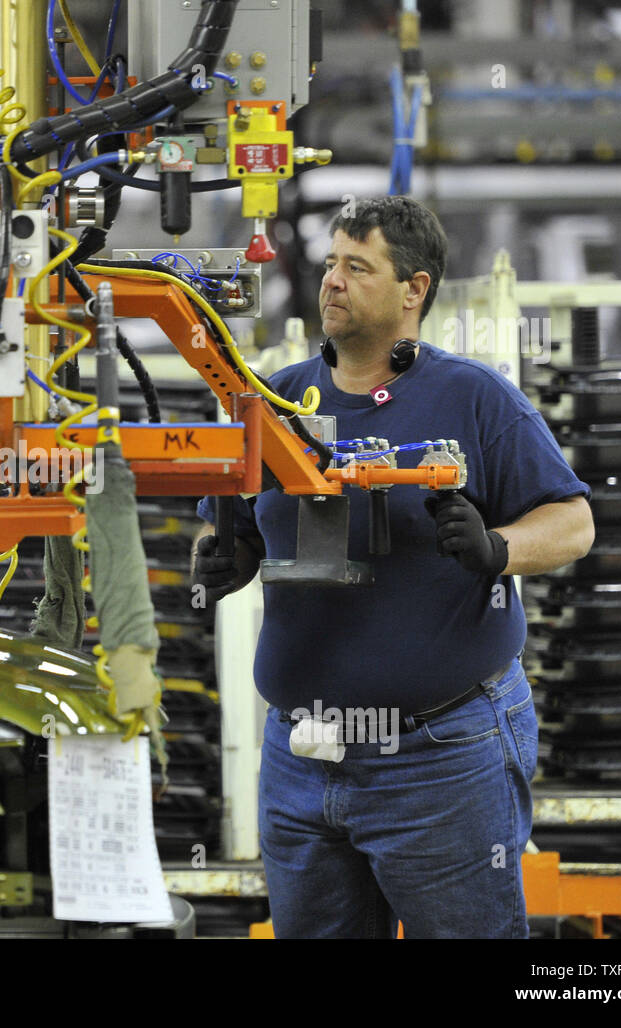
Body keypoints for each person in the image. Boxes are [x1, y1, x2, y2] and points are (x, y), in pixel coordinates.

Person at [192, 195, 594, 939]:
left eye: (358, 266)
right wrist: (227, 558)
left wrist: (497, 548)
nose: (332, 282)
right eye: (330, 263)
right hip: (301, 756)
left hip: (438, 760)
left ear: (415, 290)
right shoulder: (274, 400)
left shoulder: (472, 397)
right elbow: (244, 527)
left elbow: (573, 524)